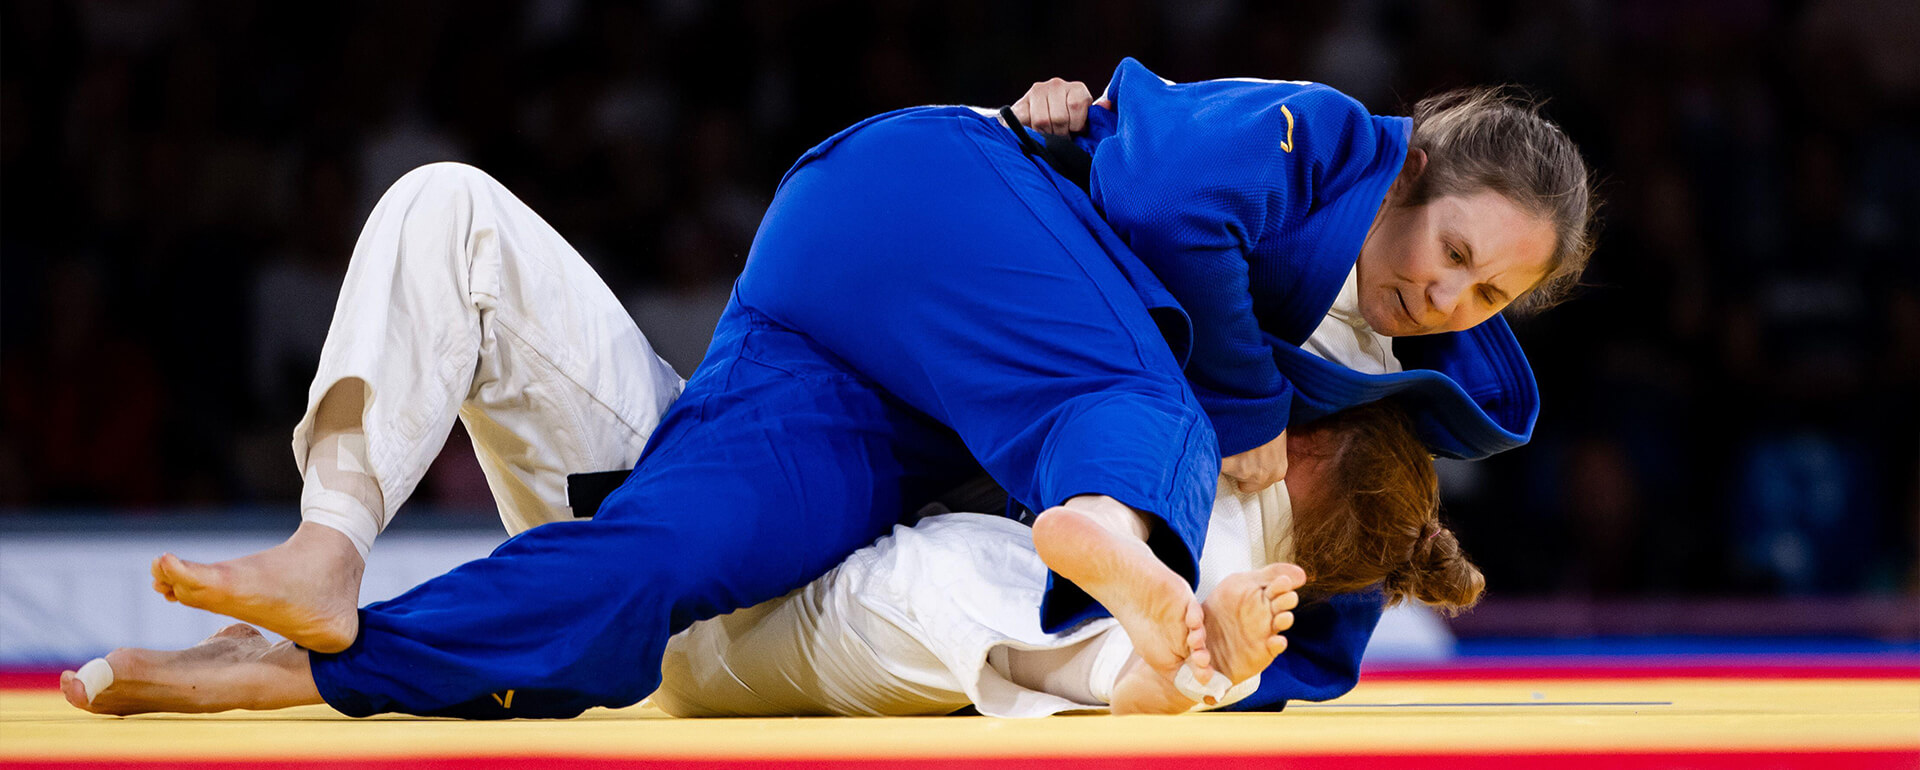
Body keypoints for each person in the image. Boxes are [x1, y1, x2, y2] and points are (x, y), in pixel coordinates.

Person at [96, 60, 1590, 719]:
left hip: (846, 379)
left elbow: (1318, 606)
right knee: (1140, 401)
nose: (1444, 299)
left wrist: (1221, 646)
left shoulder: (1402, 391)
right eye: (1453, 255)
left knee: (658, 538)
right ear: (1415, 168)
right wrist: (1250, 418)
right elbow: (1175, 179)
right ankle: (1113, 540)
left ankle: (321, 615)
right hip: (959, 204)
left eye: (1487, 297)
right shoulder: (1317, 143)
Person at [64, 401, 1479, 718]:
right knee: (452, 218)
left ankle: (281, 668)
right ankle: (318, 571)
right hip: (762, 545)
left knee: (625, 578)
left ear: (1300, 455)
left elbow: (1139, 670)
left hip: (724, 607)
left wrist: (1204, 640)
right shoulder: (1198, 471)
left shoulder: (1209, 519)